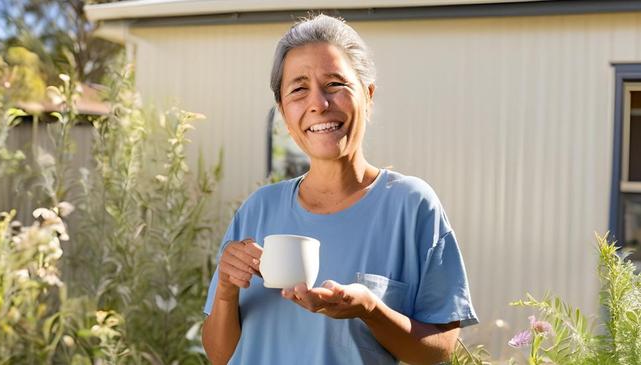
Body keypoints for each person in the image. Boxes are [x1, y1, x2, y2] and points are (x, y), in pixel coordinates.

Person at [201, 14, 478, 365]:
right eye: (299, 89)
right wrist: (225, 290)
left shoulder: (411, 206)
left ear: (368, 95)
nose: (319, 103)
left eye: (334, 84)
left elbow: (438, 350)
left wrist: (370, 310)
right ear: (284, 113)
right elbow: (219, 355)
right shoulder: (258, 209)